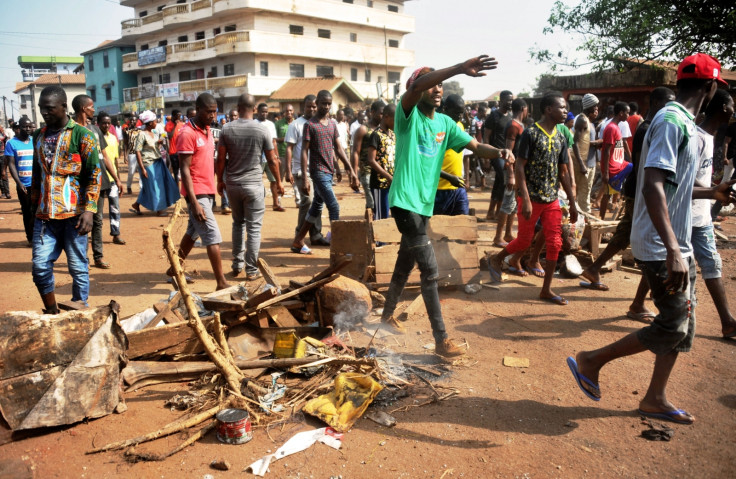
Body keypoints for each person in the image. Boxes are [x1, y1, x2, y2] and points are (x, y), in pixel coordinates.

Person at [567, 53, 732, 425]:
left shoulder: (683, 124)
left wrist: (712, 193)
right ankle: (591, 360)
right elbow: (653, 185)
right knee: (673, 322)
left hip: (676, 240)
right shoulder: (673, 122)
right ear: (710, 87)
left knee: (683, 323)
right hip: (662, 244)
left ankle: (655, 397)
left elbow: (674, 187)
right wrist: (673, 249)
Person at [380, 56, 514, 358]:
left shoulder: (445, 123)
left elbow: (478, 147)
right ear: (418, 88)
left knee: (405, 262)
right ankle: (442, 341)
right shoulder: (407, 115)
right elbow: (417, 87)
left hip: (423, 205)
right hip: (404, 201)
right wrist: (457, 69)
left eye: (440, 85)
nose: (437, 89)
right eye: (432, 84)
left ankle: (386, 315)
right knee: (430, 271)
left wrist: (501, 151)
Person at [579, 87, 676, 317]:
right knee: (655, 243)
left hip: (639, 190)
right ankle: (640, 301)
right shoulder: (650, 127)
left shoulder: (648, 127)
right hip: (643, 192)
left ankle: (595, 269)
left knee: (625, 234)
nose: (672, 108)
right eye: (668, 103)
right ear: (655, 103)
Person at [488, 91, 578, 305]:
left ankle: (546, 290)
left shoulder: (561, 137)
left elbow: (563, 172)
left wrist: (573, 203)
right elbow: (520, 166)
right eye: (562, 107)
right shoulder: (531, 133)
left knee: (555, 242)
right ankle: (497, 259)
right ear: (548, 110)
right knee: (525, 240)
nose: (565, 111)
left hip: (551, 199)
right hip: (531, 197)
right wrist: (526, 198)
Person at [30, 85, 101, 313]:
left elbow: (94, 175)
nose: (45, 113)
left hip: (75, 215)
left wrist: (89, 210)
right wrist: (32, 205)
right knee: (40, 267)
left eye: (49, 108)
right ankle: (51, 311)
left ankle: (78, 309)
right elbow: (36, 172)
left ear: (63, 107)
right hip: (45, 216)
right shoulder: (37, 136)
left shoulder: (83, 136)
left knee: (78, 267)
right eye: (42, 109)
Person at [217, 94, 282, 280]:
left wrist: (220, 181)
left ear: (238, 107)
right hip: (253, 185)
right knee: (253, 229)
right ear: (254, 109)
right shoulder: (262, 129)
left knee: (238, 223)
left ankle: (237, 264)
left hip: (233, 185)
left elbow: (220, 158)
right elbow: (272, 159)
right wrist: (278, 182)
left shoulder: (226, 129)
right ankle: (251, 270)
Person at [170, 93, 229, 291]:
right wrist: (194, 202)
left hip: (207, 190)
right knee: (212, 235)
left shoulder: (207, 130)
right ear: (198, 109)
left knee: (192, 232)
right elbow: (184, 169)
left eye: (215, 111)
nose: (213, 115)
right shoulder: (187, 133)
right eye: (208, 111)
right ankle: (221, 282)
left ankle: (174, 269)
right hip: (196, 193)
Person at [290, 90, 359, 254]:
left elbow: (339, 149)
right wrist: (305, 177)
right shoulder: (310, 125)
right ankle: (338, 246)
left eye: (329, 104)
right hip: (317, 172)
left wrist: (350, 170)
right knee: (334, 206)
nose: (326, 107)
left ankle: (298, 241)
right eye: (323, 103)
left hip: (328, 172)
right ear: (317, 103)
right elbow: (304, 151)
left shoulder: (332, 124)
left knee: (316, 207)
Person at [692, 89, 736, 338]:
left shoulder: (711, 138)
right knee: (673, 265)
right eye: (731, 106)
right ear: (722, 109)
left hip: (701, 216)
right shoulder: (696, 137)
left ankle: (727, 321)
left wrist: (716, 192)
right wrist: (712, 192)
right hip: (682, 217)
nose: (733, 110)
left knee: (711, 263)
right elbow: (679, 184)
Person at [71, 95, 117, 269]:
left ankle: (98, 256)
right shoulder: (71, 130)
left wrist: (116, 178)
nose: (93, 109)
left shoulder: (95, 129)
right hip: (78, 183)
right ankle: (82, 257)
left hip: (100, 181)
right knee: (79, 221)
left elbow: (105, 156)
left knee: (97, 221)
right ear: (83, 108)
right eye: (91, 106)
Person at [284, 95, 328, 247]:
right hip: (300, 171)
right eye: (309, 106)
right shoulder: (295, 125)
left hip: (318, 169)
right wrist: (288, 170)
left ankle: (316, 235)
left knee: (318, 201)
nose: (312, 109)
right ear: (304, 107)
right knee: (307, 202)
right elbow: (289, 148)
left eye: (314, 106)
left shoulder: (318, 123)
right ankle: (299, 235)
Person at [493, 98, 527, 248]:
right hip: (512, 171)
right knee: (507, 203)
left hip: (518, 171)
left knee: (513, 205)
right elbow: (509, 152)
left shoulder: (519, 125)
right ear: (523, 109)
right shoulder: (513, 126)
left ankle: (507, 233)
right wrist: (511, 174)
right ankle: (498, 236)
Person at [130, 110, 179, 216]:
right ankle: (159, 209)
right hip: (148, 163)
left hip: (158, 161)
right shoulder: (141, 134)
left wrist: (159, 143)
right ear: (150, 122)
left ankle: (137, 204)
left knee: (152, 185)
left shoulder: (154, 133)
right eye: (155, 121)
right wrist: (142, 169)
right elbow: (137, 151)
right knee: (155, 186)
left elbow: (155, 146)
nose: (156, 122)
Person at [433, 94, 469, 216]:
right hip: (438, 189)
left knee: (463, 226)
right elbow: (428, 162)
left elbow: (465, 154)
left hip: (458, 187)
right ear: (445, 109)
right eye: (456, 113)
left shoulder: (460, 126)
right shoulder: (435, 126)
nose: (459, 116)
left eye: (461, 113)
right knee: (437, 229)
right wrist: (449, 177)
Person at [599, 101, 633, 219]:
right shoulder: (611, 128)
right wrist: (606, 172)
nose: (628, 116)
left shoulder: (617, 127)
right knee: (607, 194)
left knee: (633, 167)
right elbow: (607, 150)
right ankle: (602, 219)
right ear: (621, 113)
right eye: (627, 113)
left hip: (619, 164)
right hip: (612, 168)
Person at [484, 90, 513, 219]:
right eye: (508, 100)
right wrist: (486, 157)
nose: (510, 102)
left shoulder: (511, 116)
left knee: (499, 182)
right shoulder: (493, 116)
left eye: (511, 100)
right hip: (495, 154)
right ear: (501, 101)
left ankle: (492, 212)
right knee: (504, 179)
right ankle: (498, 212)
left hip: (507, 154)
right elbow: (486, 137)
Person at [5, 116, 35, 243]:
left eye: (29, 126)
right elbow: (11, 164)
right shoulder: (11, 143)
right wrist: (19, 183)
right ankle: (30, 237)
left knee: (38, 211)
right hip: (23, 184)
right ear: (19, 128)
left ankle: (38, 236)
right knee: (27, 212)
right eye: (24, 126)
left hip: (36, 184)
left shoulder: (35, 140)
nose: (27, 129)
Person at [98, 112, 126, 246]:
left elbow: (115, 161)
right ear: (98, 123)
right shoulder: (94, 137)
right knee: (97, 211)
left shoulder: (113, 139)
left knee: (115, 207)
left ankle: (116, 233)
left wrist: (119, 180)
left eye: (109, 123)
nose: (107, 125)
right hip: (98, 180)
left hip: (112, 180)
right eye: (104, 123)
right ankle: (95, 236)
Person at [571, 94, 603, 214]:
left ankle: (582, 219)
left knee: (586, 193)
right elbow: (575, 142)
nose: (597, 111)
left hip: (590, 163)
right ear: (589, 107)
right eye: (595, 108)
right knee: (584, 195)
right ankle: (585, 221)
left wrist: (596, 143)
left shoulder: (590, 123)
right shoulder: (582, 120)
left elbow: (585, 142)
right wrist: (581, 164)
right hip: (584, 164)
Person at [352, 101, 384, 212]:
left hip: (381, 172)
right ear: (372, 112)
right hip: (368, 172)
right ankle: (371, 226)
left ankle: (369, 226)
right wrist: (355, 175)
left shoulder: (384, 129)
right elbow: (355, 152)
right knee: (372, 204)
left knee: (378, 204)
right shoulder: (363, 129)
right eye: (381, 113)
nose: (383, 116)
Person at [366, 103, 396, 220]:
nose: (396, 123)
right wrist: (388, 177)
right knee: (381, 216)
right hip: (380, 183)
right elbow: (371, 160)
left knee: (394, 215)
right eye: (395, 119)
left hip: (392, 183)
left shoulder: (393, 135)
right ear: (387, 116)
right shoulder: (376, 135)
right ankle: (379, 239)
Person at [256, 103, 283, 212]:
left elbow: (274, 141)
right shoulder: (254, 124)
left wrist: (277, 156)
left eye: (266, 112)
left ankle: (276, 204)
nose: (264, 113)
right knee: (257, 181)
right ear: (257, 112)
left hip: (270, 158)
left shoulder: (271, 124)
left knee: (274, 181)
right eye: (262, 111)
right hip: (258, 157)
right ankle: (259, 204)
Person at [274, 104, 294, 183]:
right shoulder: (278, 124)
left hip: (294, 156)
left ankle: (298, 195)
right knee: (279, 178)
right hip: (282, 155)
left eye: (290, 110)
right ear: (284, 112)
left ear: (293, 111)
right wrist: (284, 139)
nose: (289, 112)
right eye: (287, 111)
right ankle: (278, 194)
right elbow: (273, 139)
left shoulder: (297, 123)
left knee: (295, 179)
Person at [167, 109, 185, 183]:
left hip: (182, 151)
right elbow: (170, 136)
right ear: (173, 116)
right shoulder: (168, 125)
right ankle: (176, 190)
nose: (179, 118)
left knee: (184, 171)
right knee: (175, 172)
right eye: (178, 116)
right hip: (173, 152)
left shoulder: (182, 124)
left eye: (180, 116)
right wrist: (174, 126)